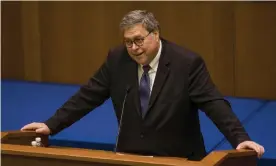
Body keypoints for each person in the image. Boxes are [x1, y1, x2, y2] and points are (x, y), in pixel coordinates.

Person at [21, 10, 264, 161]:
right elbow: (88, 96)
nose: (134, 48)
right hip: (130, 156)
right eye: (128, 42)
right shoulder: (118, 59)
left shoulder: (186, 63)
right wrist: (50, 125)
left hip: (177, 158)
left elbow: (214, 103)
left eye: (139, 40)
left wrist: (239, 138)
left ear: (155, 34)